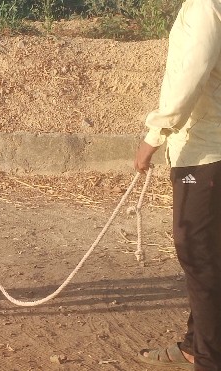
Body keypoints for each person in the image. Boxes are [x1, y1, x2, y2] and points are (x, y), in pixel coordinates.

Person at [134, 0, 221, 370]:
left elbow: (190, 75)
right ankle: (195, 344)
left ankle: (208, 358)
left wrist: (154, 134)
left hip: (204, 154)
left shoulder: (204, 6)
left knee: (198, 254)